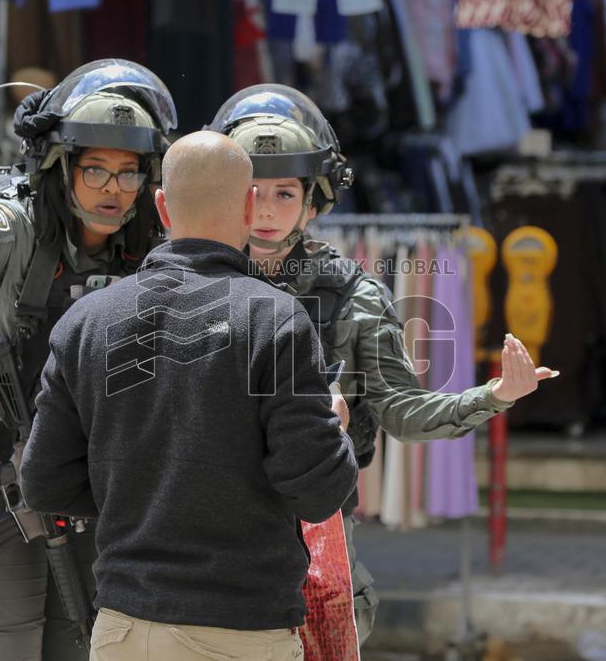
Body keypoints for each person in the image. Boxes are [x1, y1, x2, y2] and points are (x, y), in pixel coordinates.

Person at [208, 84, 557, 644]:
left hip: (312, 538)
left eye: (285, 192)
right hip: (204, 538)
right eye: (252, 191)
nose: (266, 210)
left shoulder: (354, 298)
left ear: (314, 202)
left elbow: (402, 411)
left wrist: (493, 396)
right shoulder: (190, 285)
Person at [20, 131, 358, 661]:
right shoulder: (276, 320)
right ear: (249, 206)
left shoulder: (85, 321)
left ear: (161, 207)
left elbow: (44, 482)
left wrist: (137, 492)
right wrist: (336, 431)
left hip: (122, 629)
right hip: (241, 632)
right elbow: (318, 493)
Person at [0, 59, 177, 661]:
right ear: (62, 166)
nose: (113, 189)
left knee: (78, 641)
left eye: (128, 172)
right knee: (4, 637)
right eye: (96, 169)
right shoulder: (20, 222)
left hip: (79, 477)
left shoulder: (147, 249)